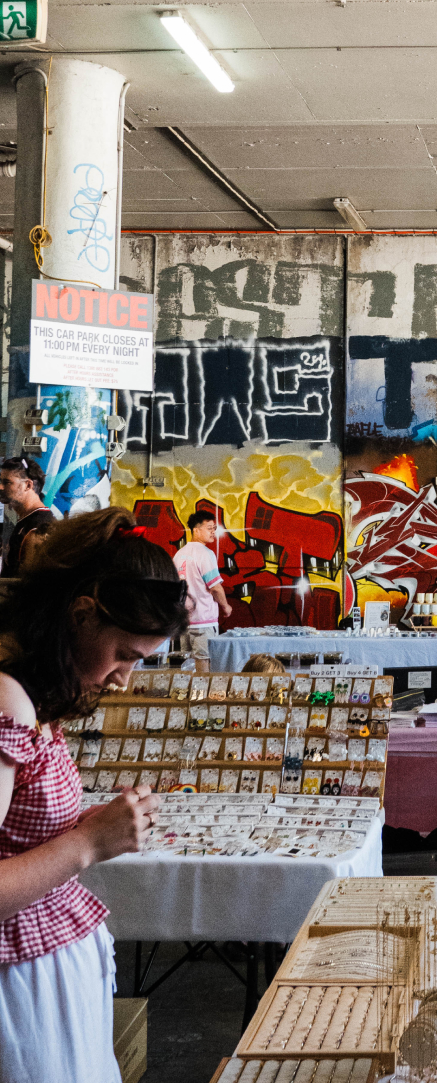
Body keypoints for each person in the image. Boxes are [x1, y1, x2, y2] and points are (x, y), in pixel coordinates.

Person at [0, 507, 188, 1082]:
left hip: (41, 987)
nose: (123, 678)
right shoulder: (8, 700)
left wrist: (90, 824)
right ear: (82, 614)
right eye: (126, 654)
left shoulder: (32, 692)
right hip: (20, 1000)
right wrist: (88, 841)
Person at [172, 510, 231, 656]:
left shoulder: (179, 554)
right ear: (196, 530)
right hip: (204, 622)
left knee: (186, 668)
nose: (213, 532)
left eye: (214, 529)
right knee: (204, 667)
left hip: (184, 623)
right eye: (209, 528)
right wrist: (226, 606)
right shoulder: (205, 554)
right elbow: (215, 587)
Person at [0, 457, 54, 577]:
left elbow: (33, 583)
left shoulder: (38, 528)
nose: (0, 487)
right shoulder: (26, 520)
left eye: (7, 482)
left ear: (28, 485)